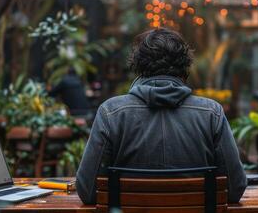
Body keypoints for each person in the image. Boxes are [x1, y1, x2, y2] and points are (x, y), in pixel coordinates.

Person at [76, 28, 247, 204]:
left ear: (139, 67)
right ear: (184, 68)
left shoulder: (111, 112)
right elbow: (235, 188)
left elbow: (87, 191)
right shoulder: (212, 113)